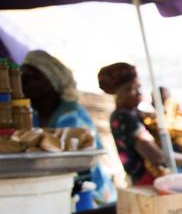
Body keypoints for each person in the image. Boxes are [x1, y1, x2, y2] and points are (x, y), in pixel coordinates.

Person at [20, 50, 115, 204]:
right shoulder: (32, 114)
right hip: (58, 192)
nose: (24, 81)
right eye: (22, 74)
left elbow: (82, 169)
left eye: (34, 77)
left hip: (90, 197)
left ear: (52, 82)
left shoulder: (71, 116)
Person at [98, 62, 182, 186]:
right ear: (117, 93)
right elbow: (158, 157)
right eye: (129, 89)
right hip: (148, 183)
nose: (138, 93)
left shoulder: (136, 113)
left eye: (139, 88)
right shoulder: (124, 117)